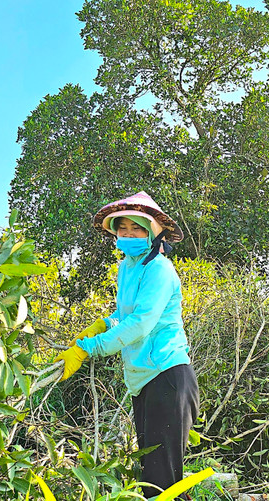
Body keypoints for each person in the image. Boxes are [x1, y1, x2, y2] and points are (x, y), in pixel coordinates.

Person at [55, 191, 199, 498]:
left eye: (137, 228)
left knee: (161, 483)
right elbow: (124, 316)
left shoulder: (160, 269)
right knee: (154, 476)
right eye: (123, 229)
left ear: (152, 232)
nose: (129, 234)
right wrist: (103, 325)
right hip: (142, 380)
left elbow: (141, 323)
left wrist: (88, 348)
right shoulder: (127, 268)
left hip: (167, 375)